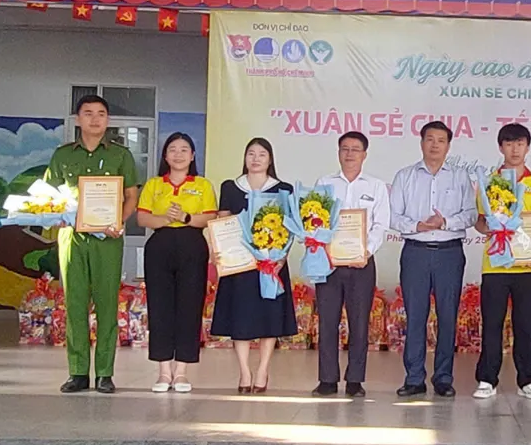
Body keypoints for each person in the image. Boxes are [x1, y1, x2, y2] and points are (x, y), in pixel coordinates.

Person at [45, 94, 140, 393]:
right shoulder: (62, 155)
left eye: (101, 113)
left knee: (107, 303)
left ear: (107, 120)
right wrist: (57, 216)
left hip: (108, 239)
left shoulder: (120, 155)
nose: (95, 119)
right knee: (74, 304)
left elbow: (131, 196)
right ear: (78, 119)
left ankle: (105, 373)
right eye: (88, 113)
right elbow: (49, 195)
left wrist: (120, 221)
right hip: (72, 237)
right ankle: (77, 373)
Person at [389, 120, 475, 398]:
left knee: (448, 316)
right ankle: (414, 378)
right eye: (430, 139)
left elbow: (471, 215)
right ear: (421, 142)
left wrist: (445, 222)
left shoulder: (460, 177)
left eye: (441, 140)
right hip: (415, 251)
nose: (435, 145)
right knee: (415, 316)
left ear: (448, 146)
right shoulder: (405, 176)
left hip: (450, 253)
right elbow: (392, 216)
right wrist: (417, 225)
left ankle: (443, 378)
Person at [210, 137, 297, 392]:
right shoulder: (231, 187)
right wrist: (219, 252)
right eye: (251, 153)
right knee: (241, 318)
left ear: (270, 159)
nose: (256, 158)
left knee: (269, 317)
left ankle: (262, 370)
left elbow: (289, 227)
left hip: (270, 264)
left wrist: (281, 257)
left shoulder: (283, 189)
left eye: (262, 154)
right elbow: (223, 222)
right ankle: (244, 372)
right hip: (240, 265)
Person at [135, 131, 218, 394]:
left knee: (189, 307)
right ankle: (163, 371)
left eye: (184, 150)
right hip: (160, 246)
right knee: (159, 307)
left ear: (192, 156)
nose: (178, 154)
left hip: (192, 245)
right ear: (165, 155)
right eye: (173, 149)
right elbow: (142, 218)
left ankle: (181, 371)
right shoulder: (154, 184)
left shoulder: (202, 185)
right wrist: (165, 219)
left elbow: (210, 217)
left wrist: (185, 217)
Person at [474, 122, 531, 400]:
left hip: (527, 266)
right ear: (500, 147)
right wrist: (489, 228)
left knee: (525, 324)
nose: (515, 149)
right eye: (509, 144)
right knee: (492, 323)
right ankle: (487, 379)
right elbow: (479, 222)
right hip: (495, 264)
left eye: (520, 144)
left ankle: (528, 379)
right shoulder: (489, 183)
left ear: (528, 147)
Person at [313, 130, 391, 397]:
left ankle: (355, 380)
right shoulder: (324, 183)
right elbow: (314, 219)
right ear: (338, 153)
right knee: (327, 321)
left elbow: (381, 224)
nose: (349, 154)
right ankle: (327, 379)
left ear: (364, 155)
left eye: (355, 149)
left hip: (362, 264)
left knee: (359, 322)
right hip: (329, 263)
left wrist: (365, 252)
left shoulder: (376, 186)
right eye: (344, 149)